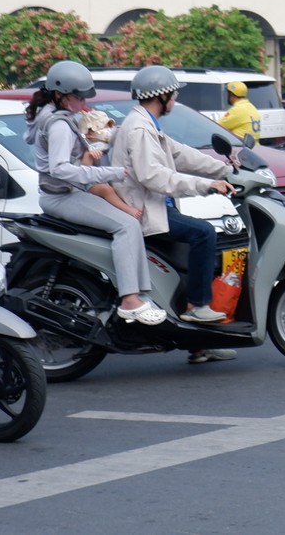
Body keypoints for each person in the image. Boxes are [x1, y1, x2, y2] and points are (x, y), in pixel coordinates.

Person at [109, 66, 241, 363]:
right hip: (145, 211)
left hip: (157, 207)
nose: (175, 99)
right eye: (174, 94)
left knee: (197, 257)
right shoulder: (140, 129)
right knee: (203, 233)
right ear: (163, 95)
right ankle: (196, 307)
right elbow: (153, 176)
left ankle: (199, 341)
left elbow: (181, 154)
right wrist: (207, 186)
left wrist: (225, 168)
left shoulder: (148, 125)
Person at [24, 61, 165, 325]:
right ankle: (130, 300)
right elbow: (61, 169)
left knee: (128, 222)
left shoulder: (53, 115)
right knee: (126, 225)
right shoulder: (58, 125)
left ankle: (139, 295)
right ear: (59, 94)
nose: (81, 103)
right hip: (61, 196)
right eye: (77, 98)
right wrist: (111, 173)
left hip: (64, 193)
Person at [217, 80, 262, 144]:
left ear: (231, 94)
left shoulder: (237, 110)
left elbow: (218, 127)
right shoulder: (252, 107)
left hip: (241, 148)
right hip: (255, 147)